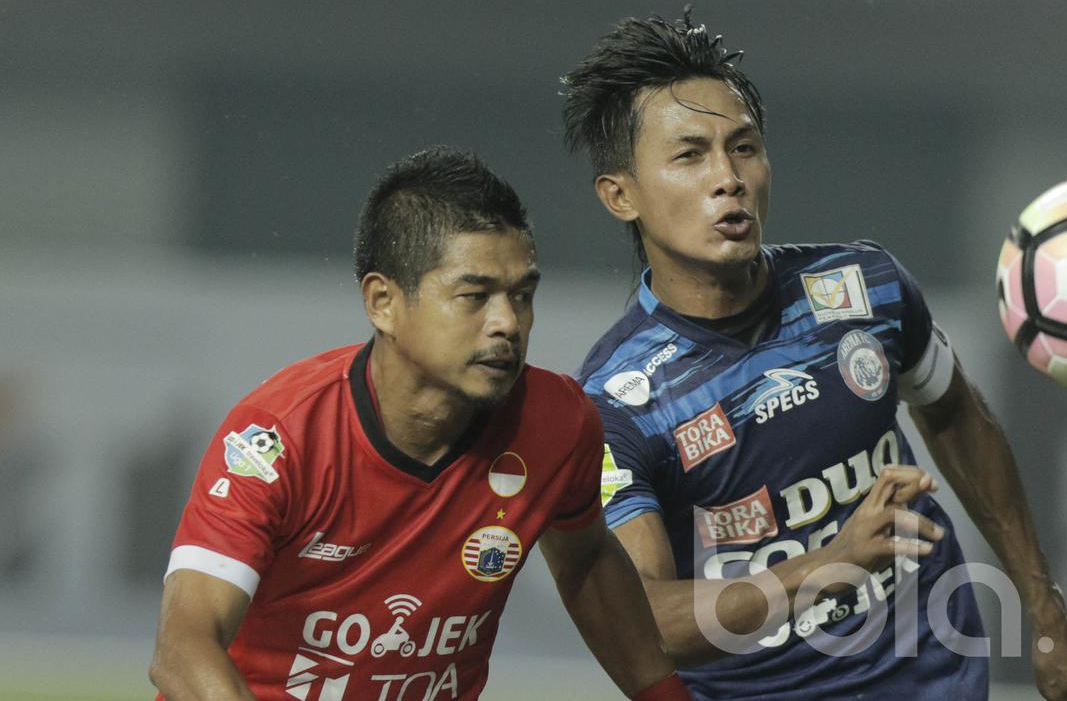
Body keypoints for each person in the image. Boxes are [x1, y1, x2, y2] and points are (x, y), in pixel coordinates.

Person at [561, 11, 1067, 701]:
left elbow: (956, 419)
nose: (727, 177)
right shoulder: (616, 402)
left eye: (744, 147)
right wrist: (827, 563)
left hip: (935, 681)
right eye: (689, 155)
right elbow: (642, 622)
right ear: (620, 195)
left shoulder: (863, 287)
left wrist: (1045, 612)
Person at [148, 147, 692, 700]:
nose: (507, 323)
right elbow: (184, 648)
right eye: (474, 296)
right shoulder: (277, 438)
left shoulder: (560, 421)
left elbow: (588, 565)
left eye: (522, 295)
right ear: (383, 302)